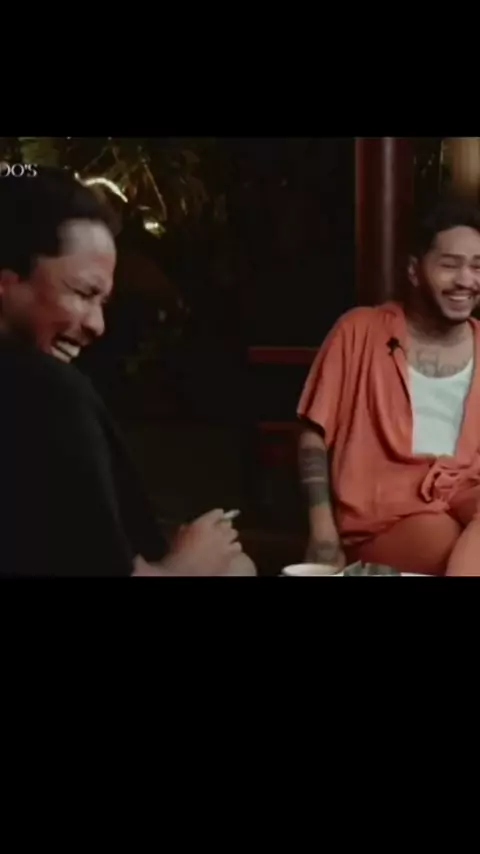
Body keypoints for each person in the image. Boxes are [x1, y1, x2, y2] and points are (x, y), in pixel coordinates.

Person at [0, 167, 255, 576]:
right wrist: (188, 564)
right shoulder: (46, 390)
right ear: (7, 282)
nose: (97, 325)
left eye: (103, 302)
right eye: (83, 293)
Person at [298, 198, 480, 576]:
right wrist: (323, 532)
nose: (466, 280)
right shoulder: (360, 330)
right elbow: (313, 435)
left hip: (466, 499)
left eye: (478, 267)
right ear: (414, 271)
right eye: (450, 265)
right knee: (443, 540)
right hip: (386, 515)